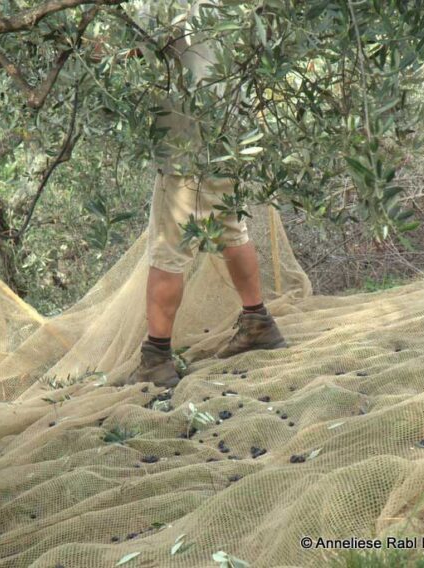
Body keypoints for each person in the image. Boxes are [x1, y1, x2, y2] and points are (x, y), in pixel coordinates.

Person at [120, 1, 286, 389]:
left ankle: (157, 358)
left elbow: (133, 51)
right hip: (231, 133)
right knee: (231, 226)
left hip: (187, 142)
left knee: (169, 249)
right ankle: (258, 322)